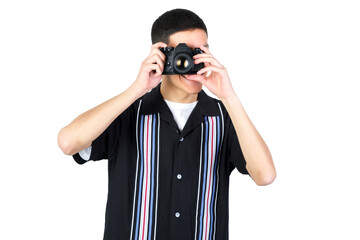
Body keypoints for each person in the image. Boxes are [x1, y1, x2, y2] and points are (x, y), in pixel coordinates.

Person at [58, 8, 276, 240]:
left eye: (200, 52)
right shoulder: (128, 113)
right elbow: (68, 142)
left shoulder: (224, 116)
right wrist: (137, 89)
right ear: (162, 54)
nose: (193, 62)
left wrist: (229, 96)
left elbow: (265, 176)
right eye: (184, 53)